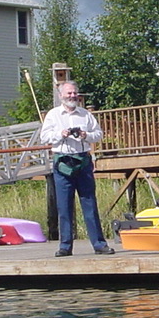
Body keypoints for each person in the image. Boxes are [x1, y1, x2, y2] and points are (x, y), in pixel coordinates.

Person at [40, 80, 115, 257]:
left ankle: (99, 244)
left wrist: (85, 135)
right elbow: (44, 137)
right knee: (64, 207)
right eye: (69, 93)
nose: (73, 96)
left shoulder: (86, 115)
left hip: (83, 162)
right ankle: (65, 246)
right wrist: (61, 134)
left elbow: (98, 134)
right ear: (61, 96)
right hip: (63, 164)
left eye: (75, 93)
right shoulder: (53, 115)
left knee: (89, 204)